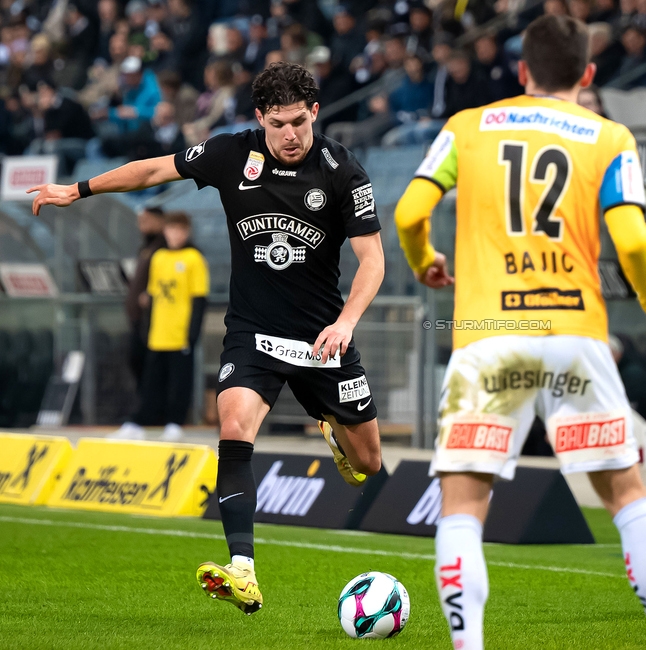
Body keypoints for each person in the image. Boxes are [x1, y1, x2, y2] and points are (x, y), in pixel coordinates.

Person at [29, 61, 386, 615]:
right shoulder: (230, 154)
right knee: (234, 424)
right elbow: (152, 172)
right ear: (259, 119)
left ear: (315, 113)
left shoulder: (343, 170)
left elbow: (372, 262)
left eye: (298, 121)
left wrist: (345, 324)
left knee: (368, 465)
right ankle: (242, 566)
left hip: (323, 339)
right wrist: (77, 190)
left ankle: (334, 430)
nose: (289, 134)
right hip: (254, 333)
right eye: (277, 124)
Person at [394, 15, 646, 650]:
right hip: (575, 335)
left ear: (522, 72)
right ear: (587, 73)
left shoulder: (466, 126)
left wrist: (425, 264)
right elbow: (633, 237)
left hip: (489, 337)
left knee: (464, 508)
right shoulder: (610, 136)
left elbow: (410, 211)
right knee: (626, 494)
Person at [112, 211, 209, 442]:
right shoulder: (159, 258)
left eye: (179, 230)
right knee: (150, 380)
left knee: (179, 380)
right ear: (165, 231)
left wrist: (192, 334)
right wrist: (147, 329)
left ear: (187, 232)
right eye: (171, 229)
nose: (175, 235)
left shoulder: (194, 259)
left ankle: (175, 422)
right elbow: (153, 298)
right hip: (159, 333)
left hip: (180, 333)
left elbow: (199, 300)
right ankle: (139, 421)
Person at [124, 205, 166, 391]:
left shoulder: (163, 246)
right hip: (137, 317)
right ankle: (145, 408)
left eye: (146, 221)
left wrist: (151, 294)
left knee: (149, 364)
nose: (141, 225)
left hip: (152, 319)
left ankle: (154, 411)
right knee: (136, 360)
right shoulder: (146, 246)